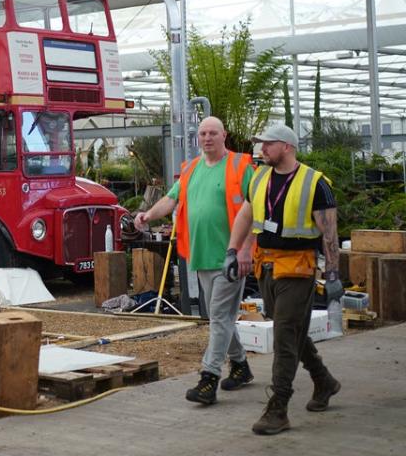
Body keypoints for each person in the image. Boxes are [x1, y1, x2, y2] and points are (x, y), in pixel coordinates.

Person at [226, 123, 341, 435]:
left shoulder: (315, 183)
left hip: (299, 270)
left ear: (287, 146)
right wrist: (234, 249)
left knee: (285, 335)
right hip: (268, 268)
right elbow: (246, 216)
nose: (261, 149)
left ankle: (278, 407)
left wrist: (332, 275)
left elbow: (330, 234)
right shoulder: (260, 177)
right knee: (292, 330)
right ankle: (324, 380)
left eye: (268, 144)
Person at [134, 116, 254, 405]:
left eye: (213, 132)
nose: (207, 137)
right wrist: (148, 215)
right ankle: (240, 365)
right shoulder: (190, 169)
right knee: (219, 317)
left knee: (219, 317)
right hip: (201, 256)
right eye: (203, 133)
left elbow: (255, 208)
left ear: (224, 135)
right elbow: (171, 200)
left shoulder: (240, 166)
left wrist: (245, 250)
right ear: (197, 138)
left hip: (230, 256)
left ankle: (208, 377)